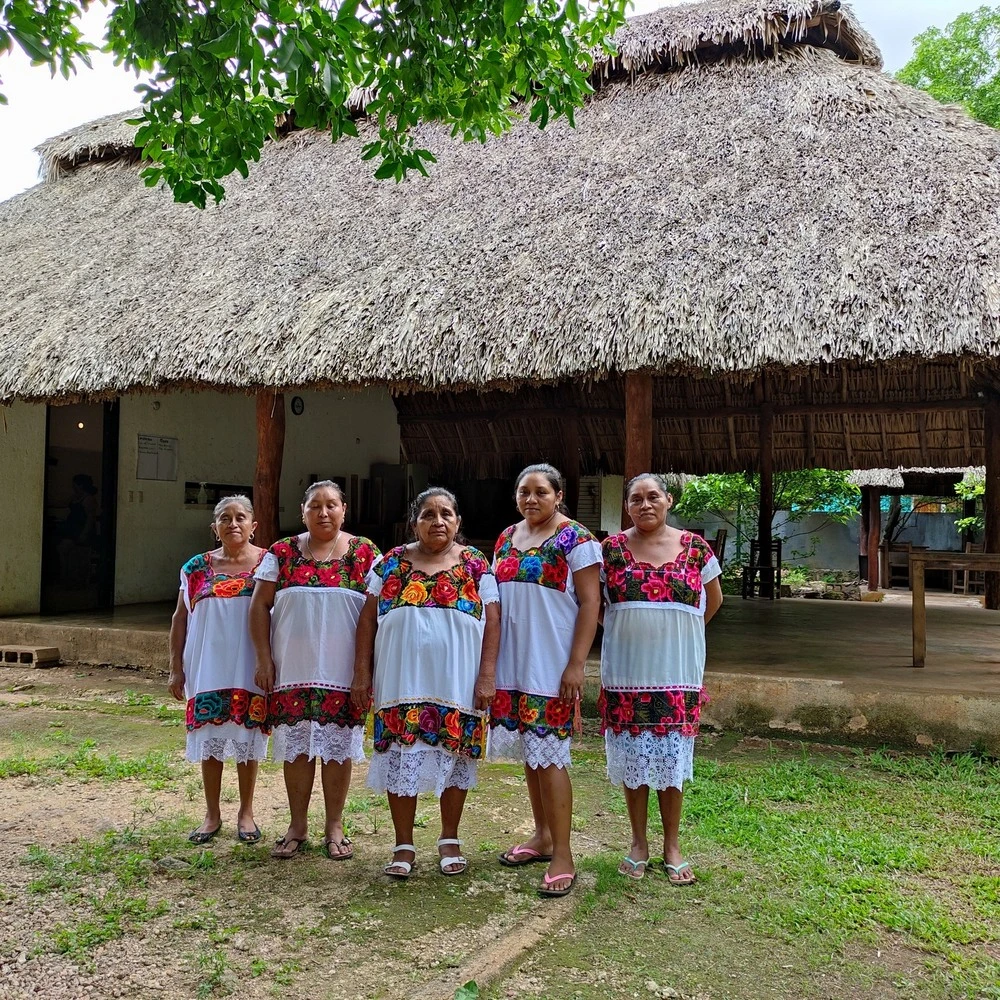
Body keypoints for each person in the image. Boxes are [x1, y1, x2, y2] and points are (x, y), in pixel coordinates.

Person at [352, 487, 500, 879]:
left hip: (458, 682)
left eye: (446, 514)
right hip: (400, 680)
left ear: (458, 521)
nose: (438, 522)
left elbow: (494, 620)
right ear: (414, 522)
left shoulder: (475, 564)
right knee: (403, 754)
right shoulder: (391, 563)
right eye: (428, 515)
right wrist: (362, 674)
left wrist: (487, 676)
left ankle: (449, 838)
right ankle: (403, 844)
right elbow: (367, 619)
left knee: (455, 755)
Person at [599, 473, 723, 884]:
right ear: (627, 507)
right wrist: (629, 629)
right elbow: (595, 605)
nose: (645, 504)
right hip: (628, 672)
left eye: (653, 497)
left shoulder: (695, 548)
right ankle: (638, 842)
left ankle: (672, 844)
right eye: (636, 499)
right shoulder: (611, 550)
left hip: (677, 672)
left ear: (669, 500)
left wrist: (676, 634)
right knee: (634, 758)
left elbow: (713, 600)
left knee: (671, 760)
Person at [250, 481, 380, 860]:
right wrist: (263, 659)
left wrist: (364, 671)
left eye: (332, 505)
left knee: (338, 749)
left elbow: (375, 615)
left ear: (344, 509)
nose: (324, 513)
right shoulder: (282, 552)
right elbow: (259, 607)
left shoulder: (365, 553)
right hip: (292, 670)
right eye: (315, 506)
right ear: (302, 512)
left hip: (345, 673)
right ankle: (297, 824)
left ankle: (334, 824)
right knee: (297, 749)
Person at [490, 463, 601, 897]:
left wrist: (577, 663)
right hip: (512, 664)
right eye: (523, 492)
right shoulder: (506, 538)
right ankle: (542, 836)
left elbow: (591, 604)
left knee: (551, 755)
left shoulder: (578, 539)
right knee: (531, 754)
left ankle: (564, 853)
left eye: (540, 492)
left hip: (550, 664)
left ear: (559, 495)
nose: (531, 499)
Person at [167, 495, 268, 844]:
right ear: (215, 528)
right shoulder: (195, 568)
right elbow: (181, 619)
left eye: (241, 517)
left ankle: (246, 813)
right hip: (206, 662)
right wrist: (175, 668)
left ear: (254, 526)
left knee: (247, 737)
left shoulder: (268, 565)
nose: (233, 523)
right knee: (209, 736)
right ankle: (212, 814)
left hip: (249, 664)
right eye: (225, 518)